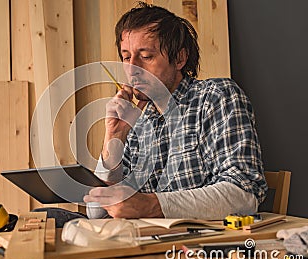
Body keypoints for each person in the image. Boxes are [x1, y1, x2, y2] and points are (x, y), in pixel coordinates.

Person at [83, 2, 268, 219]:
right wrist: (113, 138)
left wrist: (150, 205)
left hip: (208, 247)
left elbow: (244, 195)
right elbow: (95, 213)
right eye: (126, 57)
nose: (132, 69)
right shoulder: (136, 122)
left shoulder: (215, 96)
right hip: (148, 244)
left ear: (179, 58)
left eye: (146, 56)